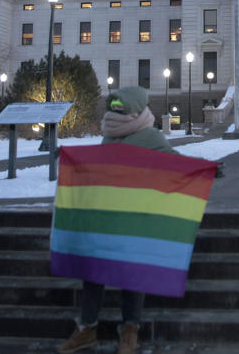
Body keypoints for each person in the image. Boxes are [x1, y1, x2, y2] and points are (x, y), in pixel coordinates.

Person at [57, 85, 173, 354]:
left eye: (120, 106)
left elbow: (175, 164)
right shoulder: (110, 135)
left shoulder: (150, 136)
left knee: (131, 275)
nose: (115, 109)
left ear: (133, 108)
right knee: (93, 273)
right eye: (113, 106)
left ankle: (130, 328)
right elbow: (100, 169)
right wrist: (72, 163)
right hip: (105, 216)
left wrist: (205, 170)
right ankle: (87, 328)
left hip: (134, 218)